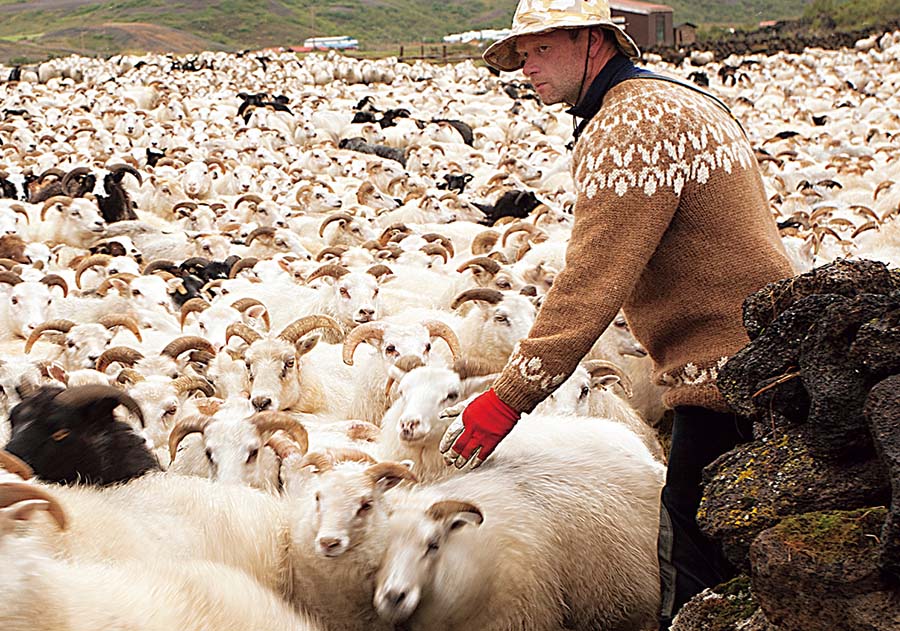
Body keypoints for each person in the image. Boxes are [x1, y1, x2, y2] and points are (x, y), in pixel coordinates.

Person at [437, 0, 795, 628]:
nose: (527, 68)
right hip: (768, 350)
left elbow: (594, 276)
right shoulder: (679, 101)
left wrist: (509, 396)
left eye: (542, 49)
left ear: (593, 41)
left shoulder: (628, 126)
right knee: (744, 532)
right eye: (522, 56)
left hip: (725, 370)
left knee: (693, 550)